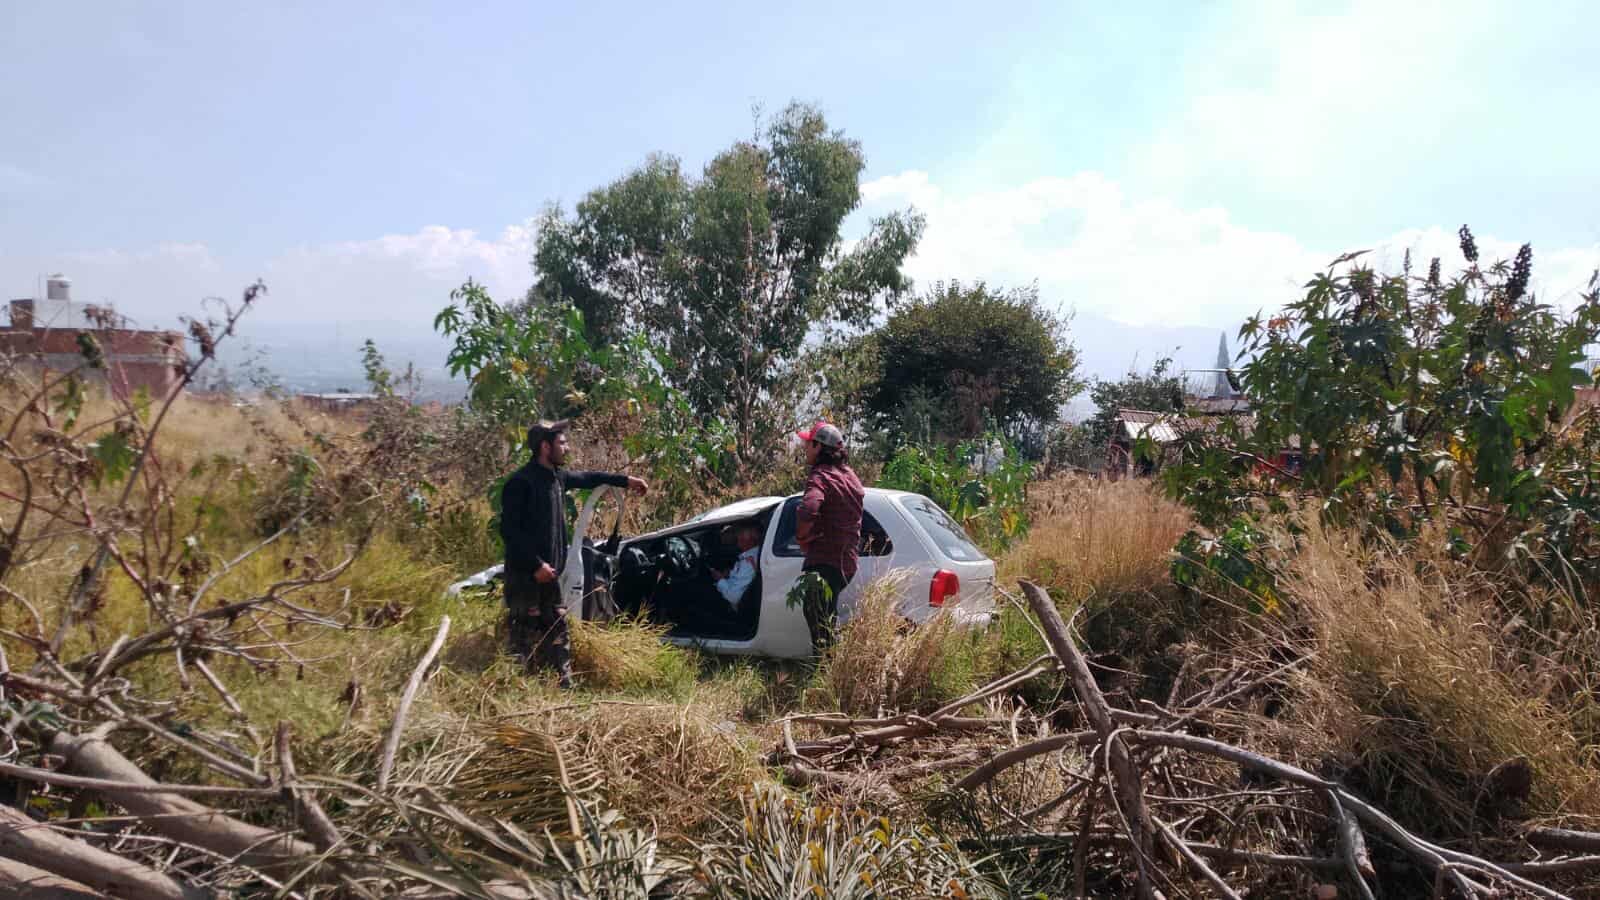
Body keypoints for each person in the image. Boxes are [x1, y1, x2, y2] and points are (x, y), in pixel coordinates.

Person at [499, 419, 647, 687]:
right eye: (562, 443)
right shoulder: (520, 483)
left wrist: (627, 481)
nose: (567, 448)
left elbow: (590, 478)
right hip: (526, 578)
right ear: (545, 447)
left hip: (550, 577)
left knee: (559, 628)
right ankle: (515, 687)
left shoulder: (557, 478)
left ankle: (563, 683)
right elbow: (510, 532)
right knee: (523, 634)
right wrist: (536, 566)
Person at [793, 420, 864, 652]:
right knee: (826, 618)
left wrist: (803, 538)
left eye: (808, 444)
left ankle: (824, 674)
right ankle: (834, 673)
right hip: (847, 562)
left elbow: (808, 509)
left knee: (817, 618)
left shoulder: (820, 476)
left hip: (824, 561)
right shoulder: (851, 476)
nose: (805, 448)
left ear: (819, 446)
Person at [701, 522, 762, 630]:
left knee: (696, 594)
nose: (736, 536)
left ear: (749, 539)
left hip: (733, 607)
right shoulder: (751, 555)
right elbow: (740, 578)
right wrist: (729, 574)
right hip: (733, 595)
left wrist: (720, 580)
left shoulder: (749, 562)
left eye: (740, 533)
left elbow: (734, 597)